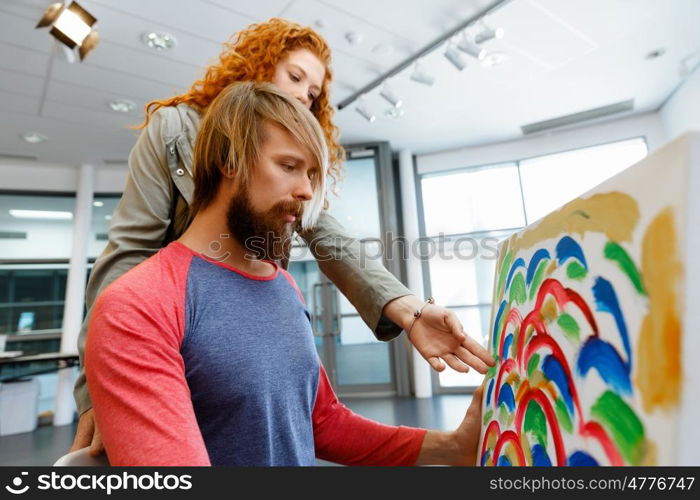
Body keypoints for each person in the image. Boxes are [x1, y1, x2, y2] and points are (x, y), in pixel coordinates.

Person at [72, 18, 494, 455]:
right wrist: (98, 390)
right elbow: (129, 252)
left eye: (312, 95)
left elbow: (323, 422)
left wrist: (405, 305)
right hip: (175, 341)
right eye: (294, 77)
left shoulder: (283, 280)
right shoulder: (175, 131)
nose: (301, 95)